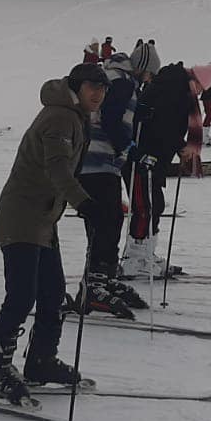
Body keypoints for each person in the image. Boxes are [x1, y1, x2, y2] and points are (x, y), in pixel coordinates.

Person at [0, 63, 105, 402]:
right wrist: (84, 203)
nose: (99, 94)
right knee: (21, 296)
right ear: (76, 87)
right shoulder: (60, 117)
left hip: (43, 219)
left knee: (52, 293)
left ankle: (40, 361)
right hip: (22, 217)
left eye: (103, 88)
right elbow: (56, 166)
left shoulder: (74, 116)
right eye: (92, 86)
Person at [73, 51, 147, 317]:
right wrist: (126, 145)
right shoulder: (123, 81)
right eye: (149, 73)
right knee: (106, 221)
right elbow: (112, 117)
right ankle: (95, 285)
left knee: (111, 219)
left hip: (96, 161)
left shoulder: (115, 78)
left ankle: (104, 278)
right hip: (99, 160)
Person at [120, 61, 200, 278]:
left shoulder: (173, 90)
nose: (201, 93)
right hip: (142, 159)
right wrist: (181, 146)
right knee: (144, 207)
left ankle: (146, 253)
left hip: (155, 161)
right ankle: (134, 258)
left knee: (155, 205)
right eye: (202, 87)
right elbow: (163, 127)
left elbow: (166, 127)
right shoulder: (171, 93)